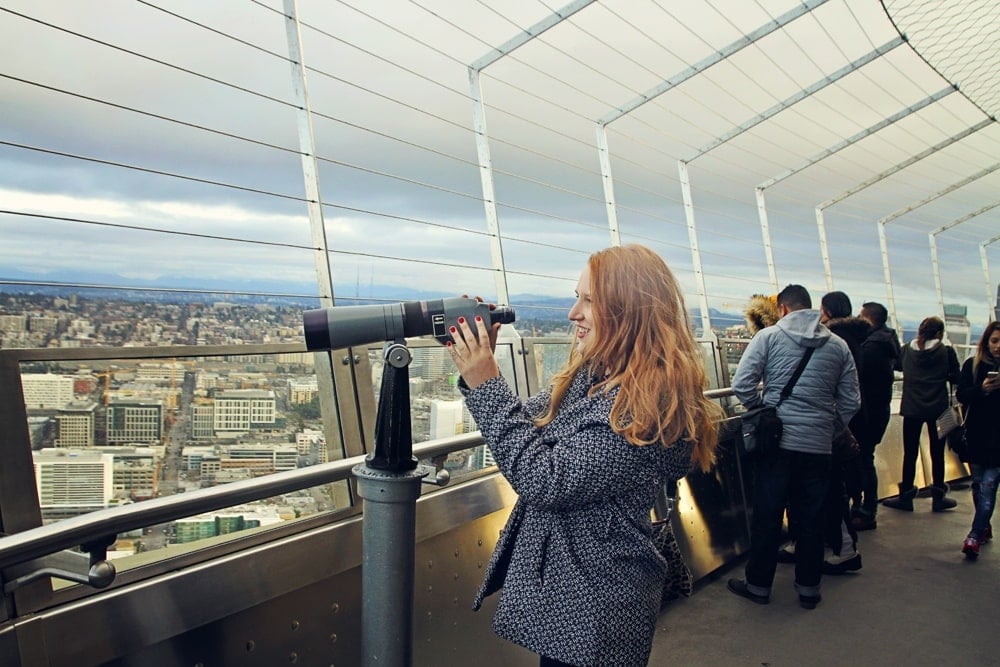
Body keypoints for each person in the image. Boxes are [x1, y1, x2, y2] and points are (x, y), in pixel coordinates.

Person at [446, 244, 720, 667]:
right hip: (576, 593)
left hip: (599, 605)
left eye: (589, 300)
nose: (574, 312)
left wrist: (486, 383)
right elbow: (532, 423)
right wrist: (481, 360)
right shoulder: (598, 376)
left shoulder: (646, 407)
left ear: (628, 310)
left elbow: (545, 479)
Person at [727, 285, 860, 610]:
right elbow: (851, 401)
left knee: (768, 516)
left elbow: (741, 384)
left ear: (783, 309)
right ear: (810, 309)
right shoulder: (839, 345)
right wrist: (828, 429)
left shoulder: (768, 337)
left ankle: (758, 585)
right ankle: (809, 588)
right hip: (817, 447)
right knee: (811, 518)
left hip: (776, 443)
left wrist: (766, 409)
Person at [882, 316, 961, 512]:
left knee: (910, 453)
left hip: (912, 408)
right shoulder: (946, 352)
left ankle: (906, 496)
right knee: (937, 453)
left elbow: (898, 366)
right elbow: (956, 376)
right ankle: (938, 497)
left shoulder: (907, 350)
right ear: (939, 333)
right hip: (938, 409)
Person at [817, 291, 869, 574]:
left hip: (833, 429)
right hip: (849, 423)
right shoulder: (856, 339)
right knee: (835, 487)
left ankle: (845, 548)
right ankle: (838, 544)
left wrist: (834, 425)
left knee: (831, 489)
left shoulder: (836, 341)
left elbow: (841, 392)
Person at [849, 302, 901, 530]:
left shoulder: (871, 348)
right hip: (878, 412)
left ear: (868, 319)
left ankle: (865, 509)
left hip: (868, 414)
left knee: (863, 460)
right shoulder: (885, 343)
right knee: (865, 459)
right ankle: (865, 507)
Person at [955, 321, 1000, 560]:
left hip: (998, 441)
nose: (998, 346)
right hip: (977, 435)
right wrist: (981, 389)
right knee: (978, 484)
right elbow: (962, 394)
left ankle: (973, 535)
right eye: (994, 341)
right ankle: (983, 525)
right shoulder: (972, 366)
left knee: (988, 486)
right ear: (986, 342)